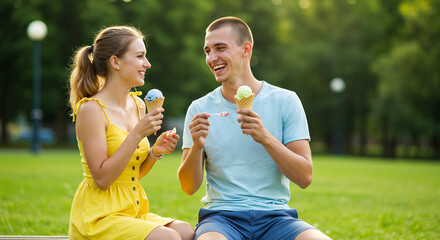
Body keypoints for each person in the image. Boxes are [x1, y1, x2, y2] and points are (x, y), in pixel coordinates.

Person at [178, 17, 331, 240]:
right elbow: (188, 187)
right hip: (221, 219)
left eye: (220, 48)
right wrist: (196, 147)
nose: (212, 58)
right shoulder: (200, 108)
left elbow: (304, 177)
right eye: (207, 51)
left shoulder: (286, 100)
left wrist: (265, 137)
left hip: (277, 219)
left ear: (246, 49)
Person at [68, 26, 195, 240]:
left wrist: (154, 152)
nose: (147, 64)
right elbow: (103, 179)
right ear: (115, 62)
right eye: (140, 56)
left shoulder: (138, 104)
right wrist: (137, 134)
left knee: (186, 231)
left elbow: (130, 175)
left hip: (131, 211)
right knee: (169, 238)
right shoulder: (91, 110)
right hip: (99, 217)